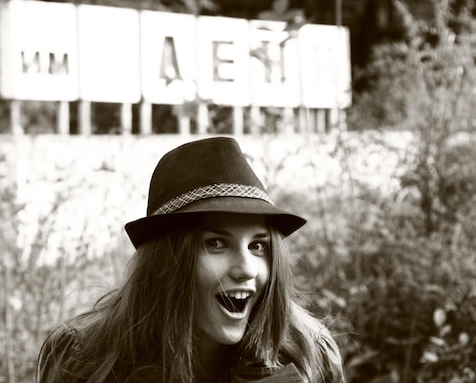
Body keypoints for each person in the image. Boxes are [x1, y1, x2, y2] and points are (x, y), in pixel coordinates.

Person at [36, 137, 345, 383]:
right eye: (215, 244)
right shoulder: (83, 356)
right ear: (166, 262)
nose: (247, 269)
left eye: (258, 246)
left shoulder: (308, 352)